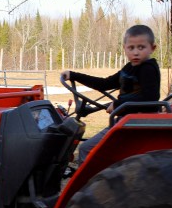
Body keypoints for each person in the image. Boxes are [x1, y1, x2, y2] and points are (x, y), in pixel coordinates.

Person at [61, 24, 160, 165]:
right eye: (131, 48)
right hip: (124, 120)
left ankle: (93, 185)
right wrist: (73, 75)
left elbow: (150, 100)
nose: (136, 53)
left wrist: (119, 105)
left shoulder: (147, 69)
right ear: (125, 48)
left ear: (152, 48)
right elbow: (104, 84)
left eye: (141, 47)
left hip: (134, 124)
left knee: (86, 149)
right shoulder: (130, 68)